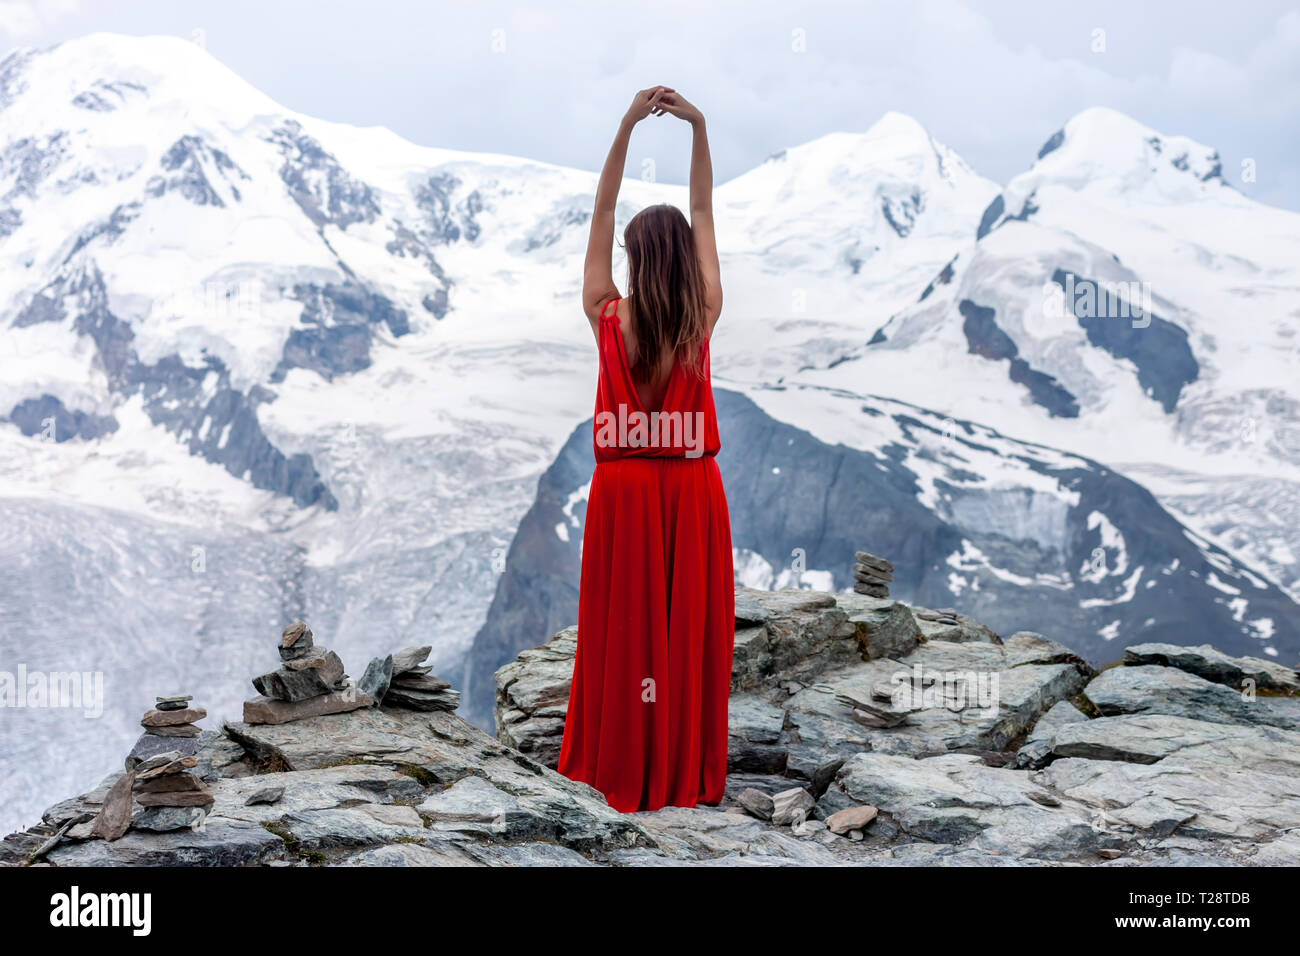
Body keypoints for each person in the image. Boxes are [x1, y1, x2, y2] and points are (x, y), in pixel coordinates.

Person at [556, 86, 734, 812]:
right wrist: (697, 127)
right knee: (686, 638)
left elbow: (600, 212)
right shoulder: (703, 315)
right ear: (686, 259)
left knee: (623, 639)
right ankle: (682, 771)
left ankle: (620, 764)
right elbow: (703, 211)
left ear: (631, 257)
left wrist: (628, 124)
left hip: (624, 492)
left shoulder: (608, 315)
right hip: (690, 492)